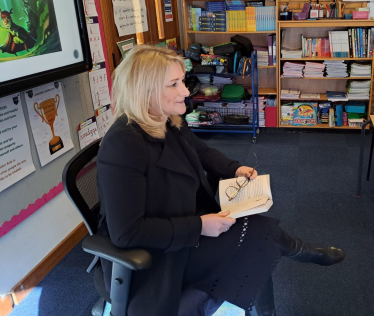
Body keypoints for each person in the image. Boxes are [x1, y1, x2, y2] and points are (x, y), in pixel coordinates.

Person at [97, 45, 345, 316]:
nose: (185, 90)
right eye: (174, 84)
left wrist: (235, 169)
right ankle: (301, 254)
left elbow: (200, 151)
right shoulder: (123, 144)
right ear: (146, 91)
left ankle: (296, 259)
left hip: (185, 227)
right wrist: (199, 226)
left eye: (183, 81)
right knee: (257, 240)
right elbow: (127, 233)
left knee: (258, 231)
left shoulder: (165, 120)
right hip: (158, 255)